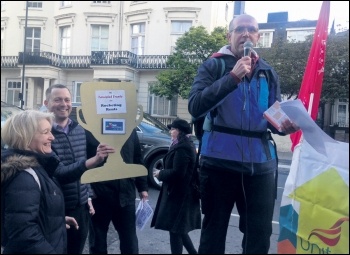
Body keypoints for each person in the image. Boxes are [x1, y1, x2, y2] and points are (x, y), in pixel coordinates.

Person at [188, 14, 300, 254]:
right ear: (230, 36)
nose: (246, 33)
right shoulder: (214, 65)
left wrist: (285, 125)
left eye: (252, 29)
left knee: (259, 237)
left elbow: (272, 116)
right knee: (213, 235)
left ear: (258, 36)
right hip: (218, 165)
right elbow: (195, 105)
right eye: (240, 29)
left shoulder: (268, 71)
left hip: (259, 168)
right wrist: (233, 77)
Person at [44, 84, 115, 254]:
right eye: (58, 99)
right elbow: (59, 173)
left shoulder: (79, 129)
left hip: (81, 207)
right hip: (56, 208)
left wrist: (88, 194)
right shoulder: (44, 133)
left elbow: (83, 172)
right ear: (46, 103)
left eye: (67, 99)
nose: (64, 104)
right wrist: (94, 160)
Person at [1, 110, 77, 253]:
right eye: (46, 132)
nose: (52, 137)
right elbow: (23, 233)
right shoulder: (23, 175)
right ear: (25, 137)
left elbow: (25, 215)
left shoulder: (36, 167)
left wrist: (56, 220)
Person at [88, 128, 148, 254]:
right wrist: (88, 193)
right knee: (97, 243)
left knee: (130, 243)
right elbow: (84, 162)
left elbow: (137, 157)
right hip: (99, 196)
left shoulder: (129, 129)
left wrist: (142, 187)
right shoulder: (91, 130)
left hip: (125, 195)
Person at [151, 118, 201, 254]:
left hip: (180, 195)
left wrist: (160, 174)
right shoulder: (181, 144)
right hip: (179, 194)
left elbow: (179, 173)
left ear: (179, 131)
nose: (170, 131)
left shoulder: (183, 147)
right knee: (179, 229)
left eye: (172, 129)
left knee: (175, 230)